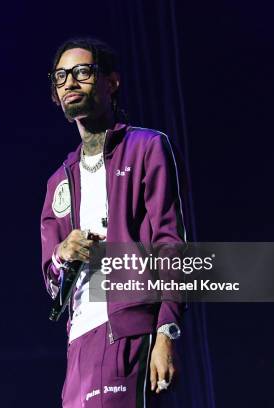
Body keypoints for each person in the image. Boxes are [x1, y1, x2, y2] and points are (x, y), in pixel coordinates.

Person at [40, 37, 187, 407]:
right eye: (61, 76)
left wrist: (166, 333)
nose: (70, 82)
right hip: (78, 345)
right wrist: (62, 252)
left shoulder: (146, 147)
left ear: (111, 82)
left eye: (82, 72)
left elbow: (170, 244)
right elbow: (50, 279)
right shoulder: (59, 181)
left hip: (129, 331)